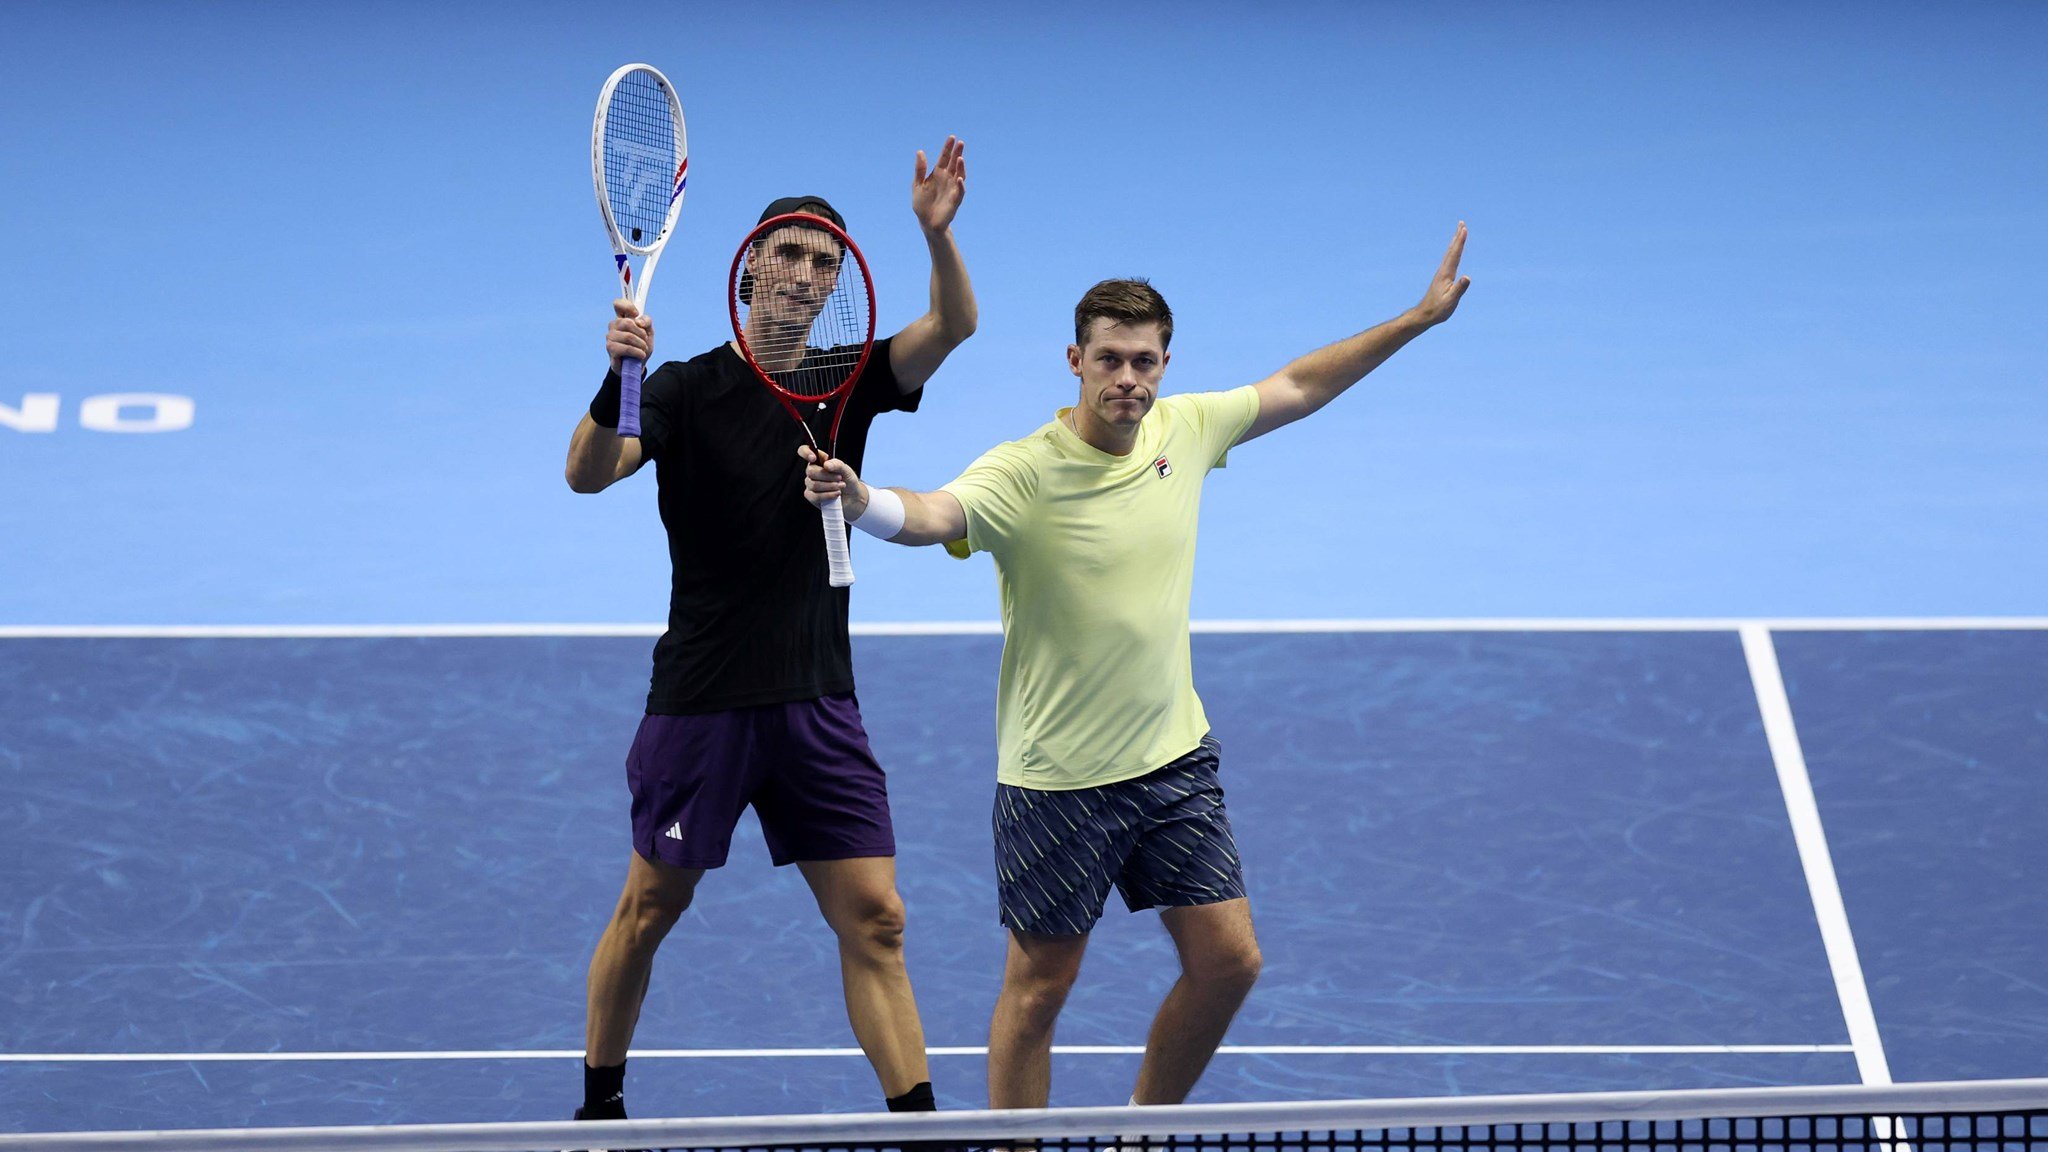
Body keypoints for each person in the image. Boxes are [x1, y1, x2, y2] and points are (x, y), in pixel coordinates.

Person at [800, 223, 1470, 1108]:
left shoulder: (1185, 429)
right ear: (1074, 360)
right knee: (1040, 992)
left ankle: (1143, 1130)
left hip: (1171, 762)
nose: (1128, 379)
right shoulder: (1024, 474)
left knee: (1231, 964)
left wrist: (1416, 319)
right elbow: (933, 515)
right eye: (1110, 359)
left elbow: (1303, 384)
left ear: (1164, 364)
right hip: (1057, 784)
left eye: (1145, 361)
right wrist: (863, 500)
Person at [563, 137, 975, 1123]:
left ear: (837, 283)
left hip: (816, 701)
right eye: (785, 254)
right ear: (751, 268)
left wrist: (934, 233)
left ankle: (918, 1128)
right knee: (650, 907)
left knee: (876, 921)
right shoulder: (683, 390)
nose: (801, 272)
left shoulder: (849, 378)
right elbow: (588, 471)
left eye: (822, 260)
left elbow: (954, 325)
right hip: (702, 702)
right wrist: (611, 374)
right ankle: (598, 1105)